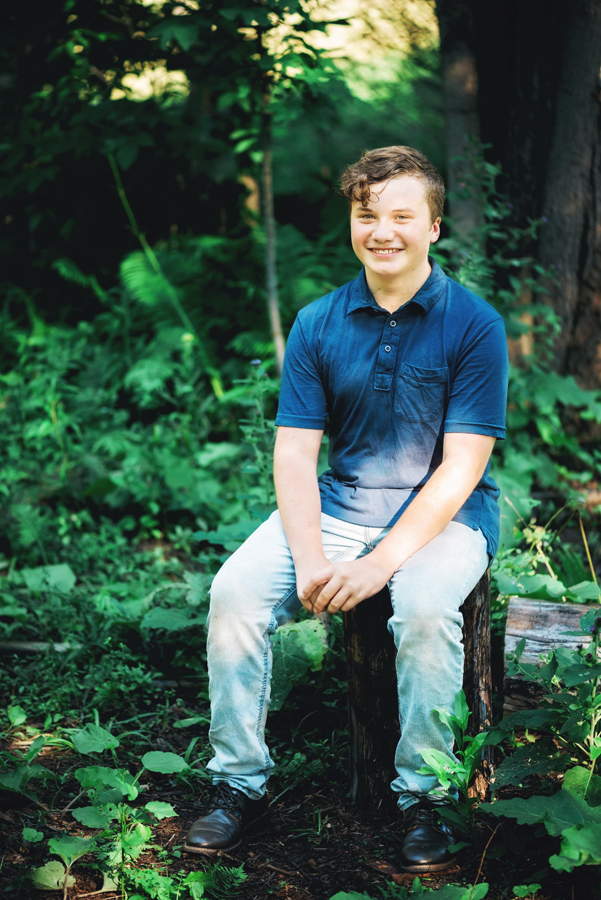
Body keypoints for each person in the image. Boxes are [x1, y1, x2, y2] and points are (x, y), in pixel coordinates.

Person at [183, 146, 508, 873]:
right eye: (367, 215)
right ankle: (238, 783)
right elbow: (295, 454)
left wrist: (378, 565)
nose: (382, 231)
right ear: (352, 223)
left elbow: (462, 468)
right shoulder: (318, 321)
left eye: (401, 216)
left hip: (447, 518)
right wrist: (310, 558)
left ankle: (425, 795)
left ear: (433, 226)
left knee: (423, 611)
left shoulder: (474, 325)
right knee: (233, 595)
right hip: (340, 506)